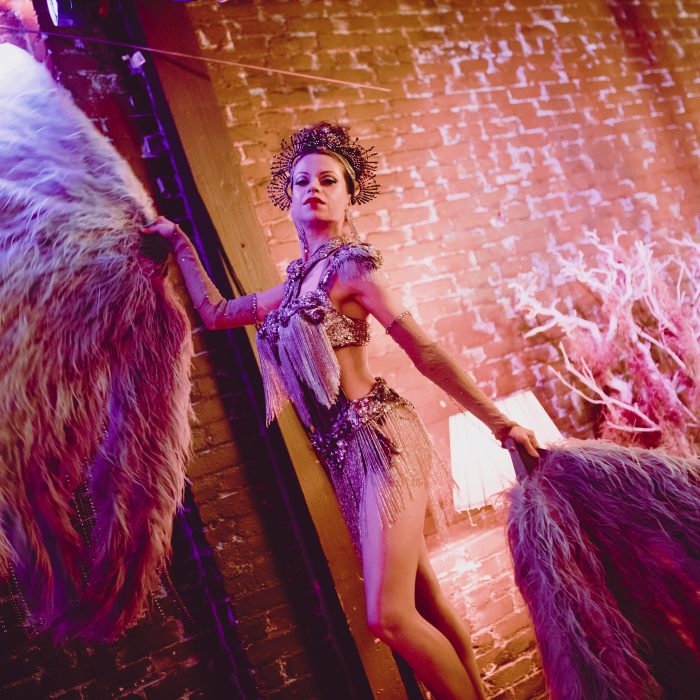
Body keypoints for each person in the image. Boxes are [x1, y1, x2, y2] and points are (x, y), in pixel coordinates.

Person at [142, 122, 539, 700]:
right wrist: (179, 242)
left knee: (388, 617)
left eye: (329, 181)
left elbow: (425, 351)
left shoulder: (354, 269)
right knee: (424, 597)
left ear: (349, 197)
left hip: (381, 438)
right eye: (302, 181)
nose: (314, 189)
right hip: (344, 458)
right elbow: (218, 312)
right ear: (289, 200)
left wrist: (501, 424)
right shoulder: (292, 286)